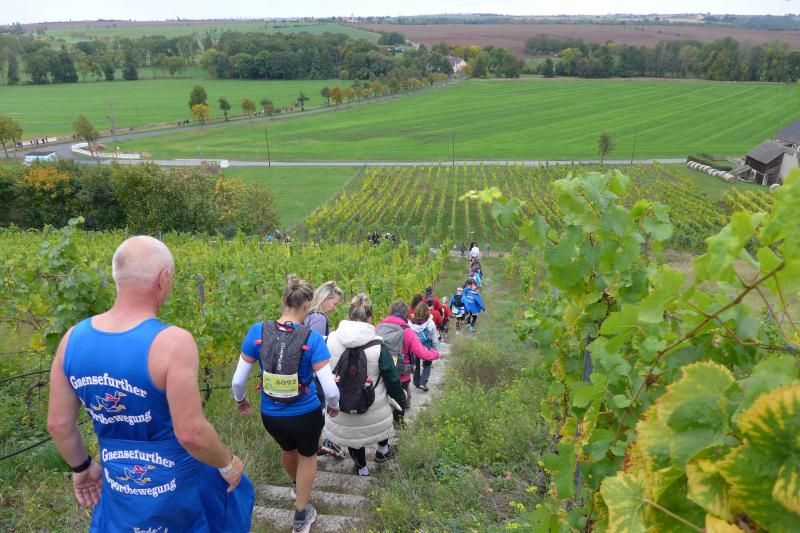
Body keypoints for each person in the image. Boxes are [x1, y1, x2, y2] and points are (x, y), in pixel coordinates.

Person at [47, 236, 253, 532]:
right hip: (180, 492)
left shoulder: (72, 339)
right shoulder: (172, 342)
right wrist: (228, 462)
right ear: (163, 278)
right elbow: (191, 433)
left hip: (120, 486)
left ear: (117, 276)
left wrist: (82, 467)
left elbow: (58, 424)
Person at [232, 275, 340, 533]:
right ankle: (301, 513)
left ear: (283, 300)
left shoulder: (257, 332)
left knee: (287, 449)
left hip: (271, 414)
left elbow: (237, 381)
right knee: (308, 456)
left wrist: (240, 400)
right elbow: (330, 389)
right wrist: (334, 405)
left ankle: (296, 485)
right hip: (305, 413)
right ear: (308, 305)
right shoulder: (312, 339)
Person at [323, 294, 406, 476]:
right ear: (370, 318)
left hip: (342, 405)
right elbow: (392, 379)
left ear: (349, 315)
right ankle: (383, 451)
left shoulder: (330, 340)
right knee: (380, 422)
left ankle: (361, 467)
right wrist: (401, 399)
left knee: (353, 438)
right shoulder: (378, 345)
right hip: (372, 405)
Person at [376, 302, 439, 421]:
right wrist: (435, 354)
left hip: (382, 370)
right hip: (401, 373)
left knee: (385, 397)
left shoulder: (378, 327)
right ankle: (398, 423)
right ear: (405, 314)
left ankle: (386, 419)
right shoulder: (407, 330)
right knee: (401, 398)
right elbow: (421, 353)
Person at [303, 281, 344, 459]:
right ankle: (319, 445)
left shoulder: (309, 315)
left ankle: (317, 444)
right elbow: (314, 348)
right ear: (326, 299)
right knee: (321, 408)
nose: (335, 308)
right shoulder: (319, 318)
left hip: (308, 373)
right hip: (315, 373)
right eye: (334, 303)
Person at [408, 302, 439, 392]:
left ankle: (416, 382)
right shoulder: (430, 323)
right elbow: (434, 337)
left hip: (414, 346)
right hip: (426, 346)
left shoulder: (410, 321)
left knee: (416, 364)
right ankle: (423, 383)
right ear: (427, 311)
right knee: (427, 364)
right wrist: (435, 349)